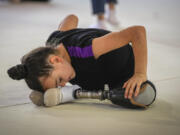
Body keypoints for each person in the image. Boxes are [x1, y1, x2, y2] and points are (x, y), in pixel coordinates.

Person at [7, 14, 148, 106]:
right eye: (58, 85)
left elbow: (137, 32)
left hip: (122, 71)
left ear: (56, 60)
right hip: (94, 73)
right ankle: (59, 92)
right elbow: (71, 18)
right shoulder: (52, 44)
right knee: (75, 77)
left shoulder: (85, 49)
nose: (63, 84)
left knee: (130, 97)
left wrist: (140, 74)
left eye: (59, 81)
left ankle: (67, 94)